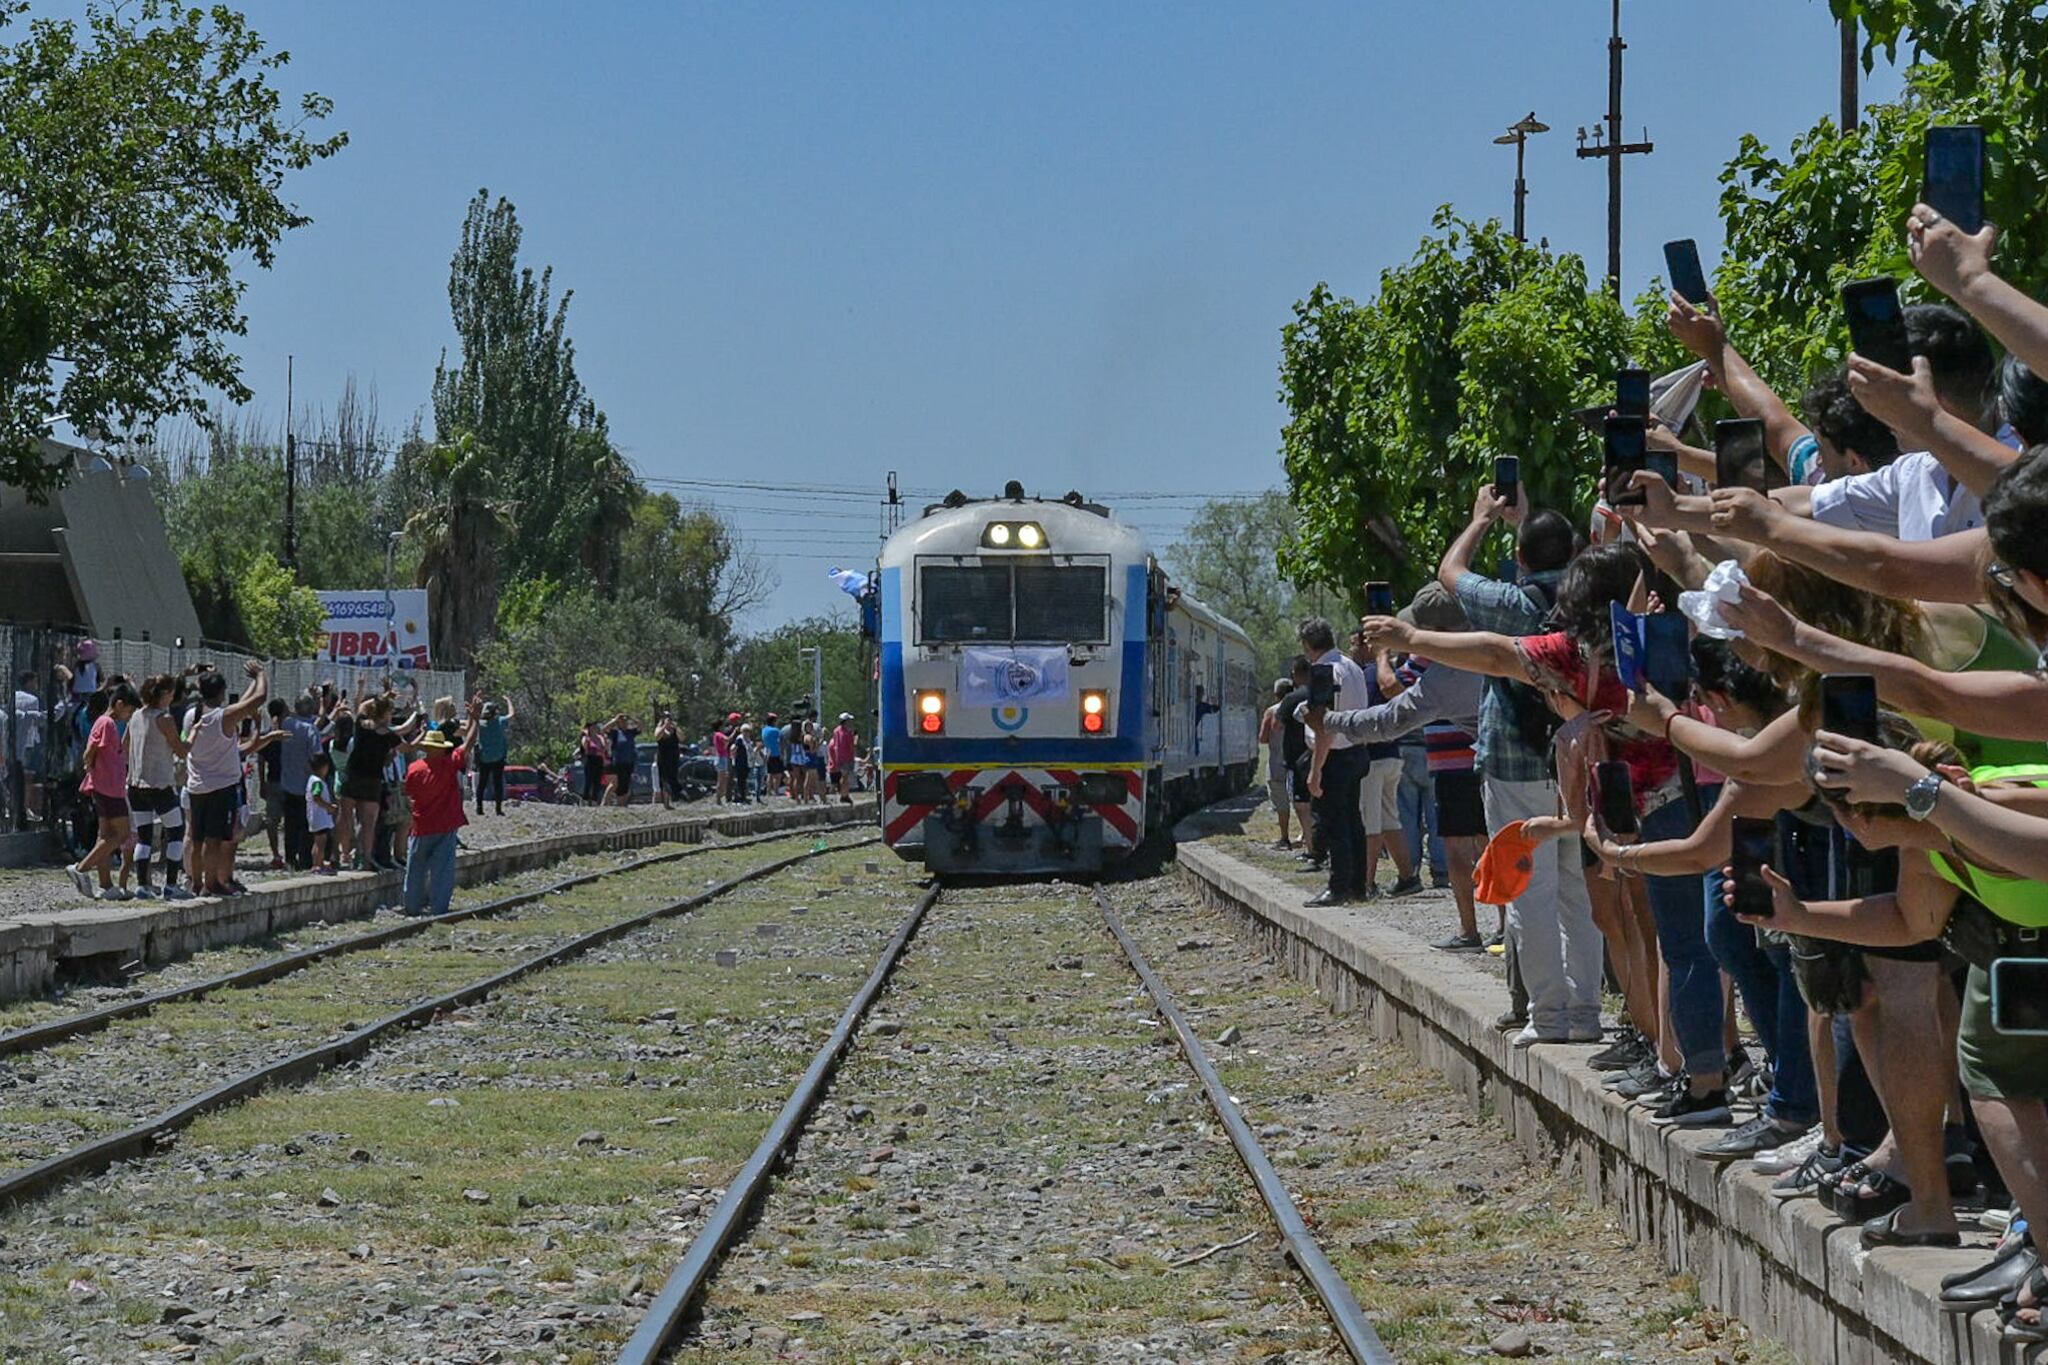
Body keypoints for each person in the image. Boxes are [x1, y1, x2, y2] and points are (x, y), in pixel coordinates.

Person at [1298, 616, 1368, 907]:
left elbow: (1323, 725)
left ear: (1306, 645)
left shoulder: (1323, 672)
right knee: (1353, 821)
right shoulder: (1351, 666)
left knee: (1333, 823)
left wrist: (1315, 771)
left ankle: (1338, 886)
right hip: (1357, 749)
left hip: (1334, 756)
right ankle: (1357, 885)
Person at [183, 661, 267, 898]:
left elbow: (241, 705)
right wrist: (260, 675)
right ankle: (212, 883)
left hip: (196, 786)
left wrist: (252, 683)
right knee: (214, 839)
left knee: (196, 838)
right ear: (221, 693)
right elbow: (258, 699)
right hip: (221, 787)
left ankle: (196, 883)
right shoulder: (222, 718)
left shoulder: (192, 715)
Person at [402, 697, 482, 916]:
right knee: (442, 869)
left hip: (421, 824)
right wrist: (474, 717)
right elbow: (469, 743)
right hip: (446, 823)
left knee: (415, 868)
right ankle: (439, 907)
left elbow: (408, 795)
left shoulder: (415, 768)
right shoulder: (449, 762)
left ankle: (411, 905)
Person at [67, 680, 141, 901]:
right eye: (129, 709)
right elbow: (91, 750)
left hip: (105, 787)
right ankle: (81, 868)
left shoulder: (103, 722)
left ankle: (106, 885)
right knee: (122, 834)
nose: (129, 714)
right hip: (110, 789)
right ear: (119, 704)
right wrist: (90, 766)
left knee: (106, 836)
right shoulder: (107, 724)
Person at [125, 675, 188, 900]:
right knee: (177, 831)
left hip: (135, 783)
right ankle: (171, 885)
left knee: (144, 836)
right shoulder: (165, 719)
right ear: (164, 694)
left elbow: (125, 745)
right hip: (159, 784)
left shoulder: (136, 716)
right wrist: (194, 736)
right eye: (171, 692)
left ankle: (142, 885)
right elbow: (181, 750)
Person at [1258, 678, 1295, 849]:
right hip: (1297, 759)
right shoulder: (1300, 708)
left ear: (1276, 694)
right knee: (1302, 802)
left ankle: (1284, 836)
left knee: (1281, 802)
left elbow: (1263, 738)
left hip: (1277, 761)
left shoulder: (1272, 711)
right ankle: (1306, 836)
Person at [475, 698, 514, 815]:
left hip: (484, 758)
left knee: (482, 782)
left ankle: (479, 807)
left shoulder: (480, 724)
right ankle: (498, 809)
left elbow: (472, 721)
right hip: (498, 756)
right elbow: (511, 714)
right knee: (497, 783)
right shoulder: (500, 722)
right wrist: (508, 701)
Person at [306, 751, 338, 874]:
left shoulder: (312, 780)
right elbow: (316, 797)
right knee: (321, 842)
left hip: (317, 817)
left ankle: (317, 864)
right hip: (319, 817)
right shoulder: (317, 782)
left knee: (318, 841)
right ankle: (318, 865)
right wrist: (329, 807)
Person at [603, 713, 639, 807]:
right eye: (622, 721)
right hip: (618, 761)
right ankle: (605, 802)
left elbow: (642, 726)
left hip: (629, 761)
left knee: (626, 783)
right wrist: (615, 719)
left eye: (625, 721)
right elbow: (604, 729)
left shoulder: (631, 732)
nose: (624, 723)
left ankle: (622, 804)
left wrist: (632, 718)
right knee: (616, 783)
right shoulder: (615, 733)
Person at [654, 711, 682, 809]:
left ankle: (675, 798)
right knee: (664, 780)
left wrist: (676, 727)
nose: (668, 719)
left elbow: (682, 738)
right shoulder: (659, 728)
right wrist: (664, 726)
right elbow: (657, 737)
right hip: (663, 758)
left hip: (674, 757)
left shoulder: (674, 730)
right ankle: (666, 803)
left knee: (673, 778)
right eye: (666, 717)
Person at [829, 713, 858, 803]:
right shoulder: (847, 733)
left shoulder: (836, 731)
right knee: (845, 777)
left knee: (843, 776)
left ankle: (843, 793)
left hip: (839, 757)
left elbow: (836, 745)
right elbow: (851, 746)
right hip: (847, 758)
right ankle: (844, 794)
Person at [760, 713, 784, 797]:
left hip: (767, 753)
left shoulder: (764, 730)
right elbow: (780, 742)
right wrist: (782, 753)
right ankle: (776, 791)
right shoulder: (776, 731)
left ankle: (768, 791)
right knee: (778, 774)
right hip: (776, 753)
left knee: (770, 773)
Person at [712, 714, 735, 803]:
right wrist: (734, 732)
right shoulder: (719, 734)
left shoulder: (716, 735)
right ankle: (718, 799)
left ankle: (721, 797)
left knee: (724, 778)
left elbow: (724, 745)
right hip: (721, 758)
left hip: (722, 757)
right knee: (721, 780)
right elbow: (728, 739)